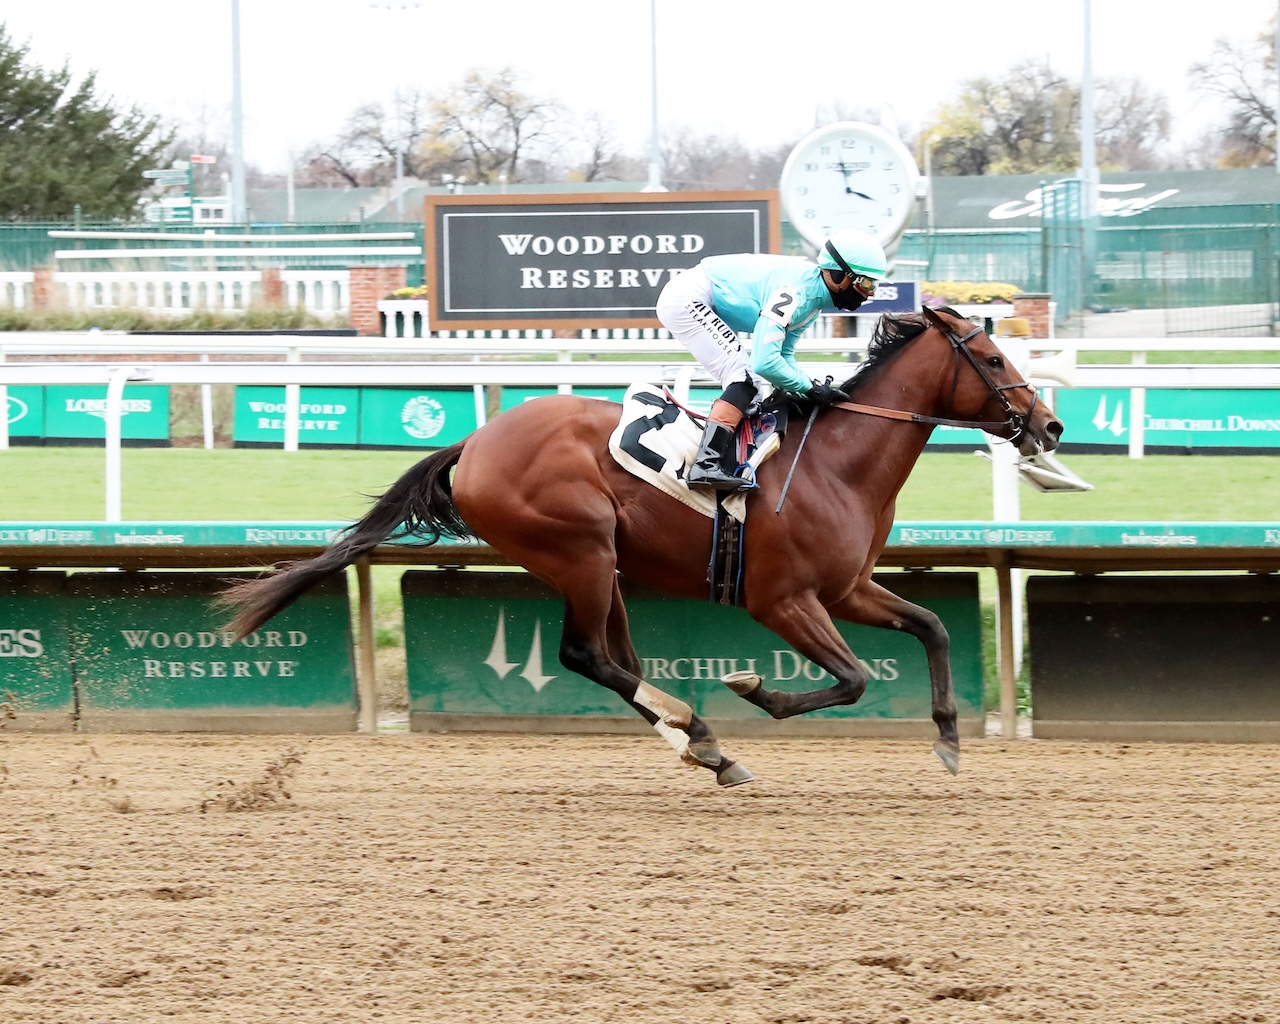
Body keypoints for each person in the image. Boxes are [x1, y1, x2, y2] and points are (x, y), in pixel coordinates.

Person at [655, 228, 889, 492]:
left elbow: (784, 355)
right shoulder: (797, 293)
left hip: (697, 295)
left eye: (874, 285)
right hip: (688, 298)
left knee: (750, 393)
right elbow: (765, 362)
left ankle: (729, 458)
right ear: (838, 276)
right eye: (866, 283)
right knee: (743, 379)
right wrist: (809, 388)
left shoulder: (813, 304)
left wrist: (808, 388)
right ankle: (705, 465)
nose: (869, 294)